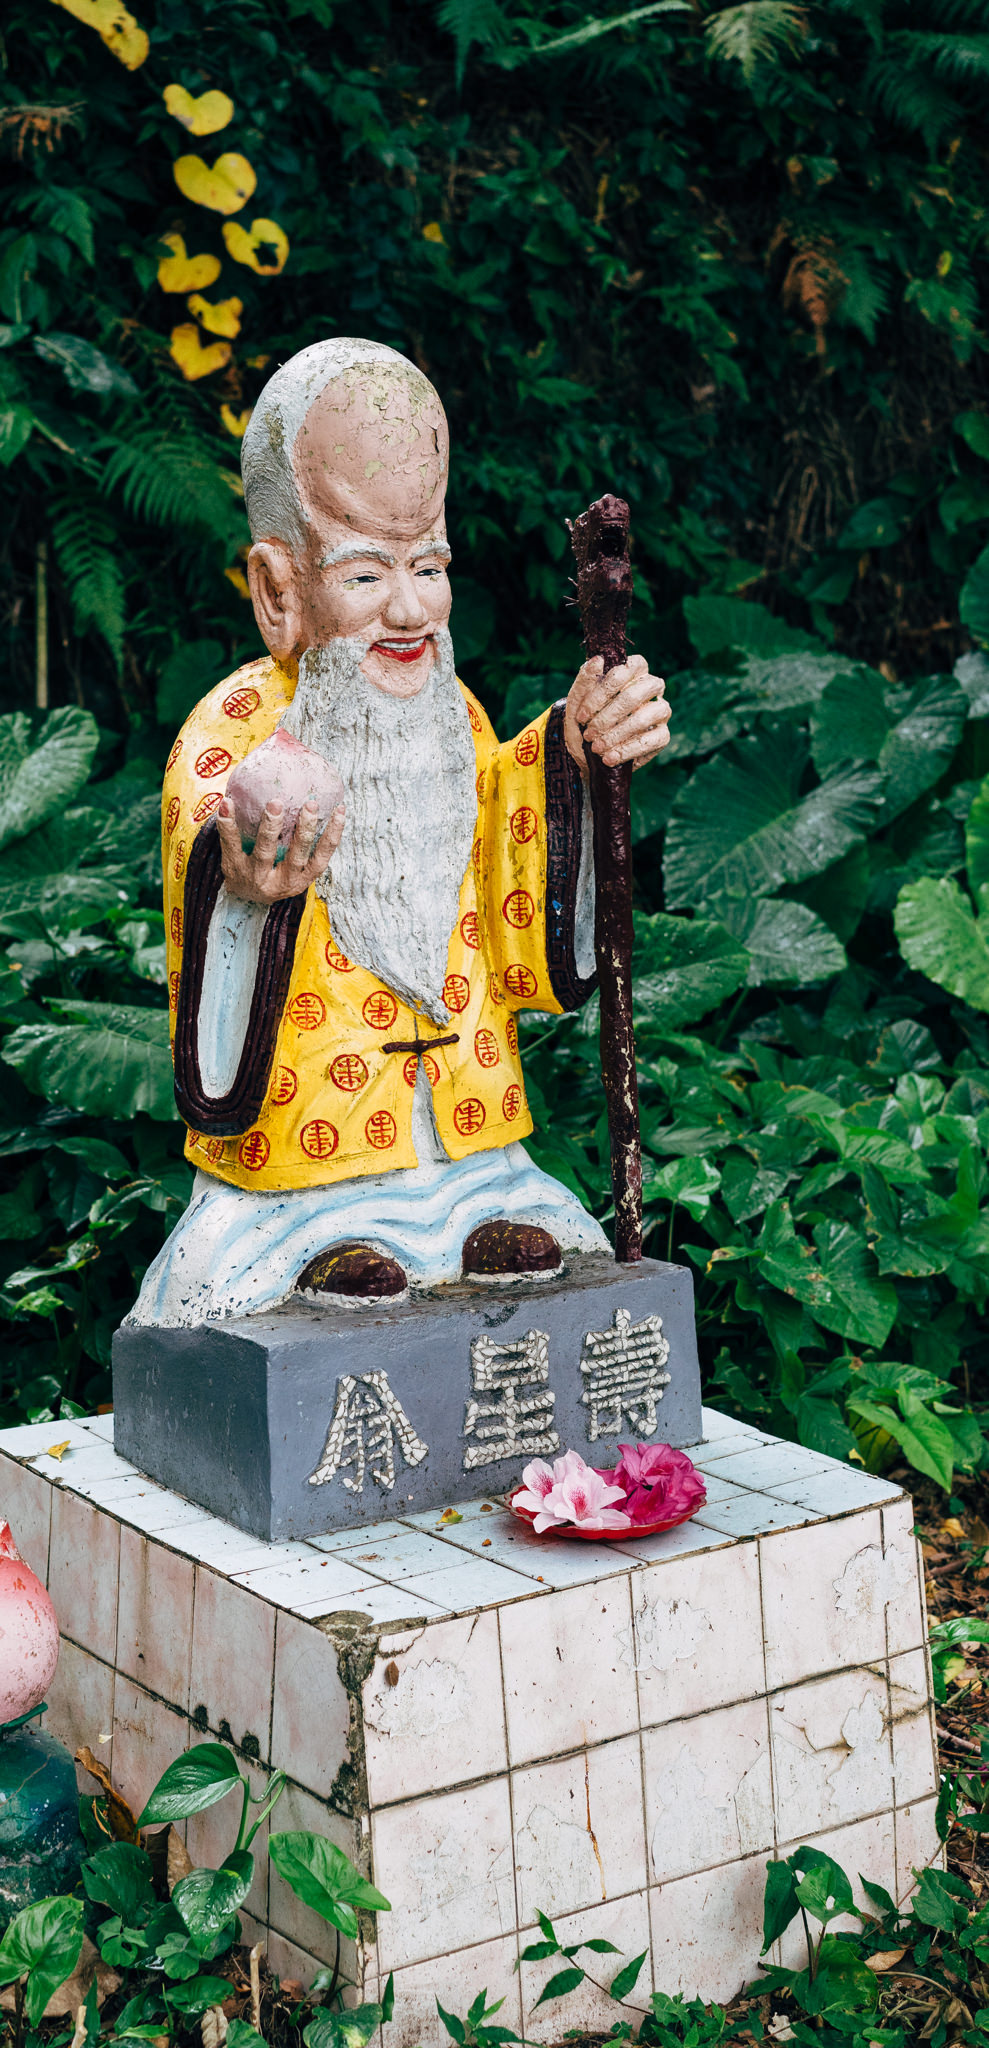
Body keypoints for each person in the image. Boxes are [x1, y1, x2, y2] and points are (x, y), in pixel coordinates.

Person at [127, 338, 671, 1329]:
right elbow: (214, 871)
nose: (412, 609)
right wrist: (245, 878)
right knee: (284, 1266)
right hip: (298, 1162)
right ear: (279, 589)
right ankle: (329, 1225)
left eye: (429, 566)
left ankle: (460, 1204)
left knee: (530, 1239)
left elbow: (508, 860)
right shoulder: (231, 731)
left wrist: (577, 754)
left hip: (473, 1139)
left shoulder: (452, 714)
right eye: (367, 575)